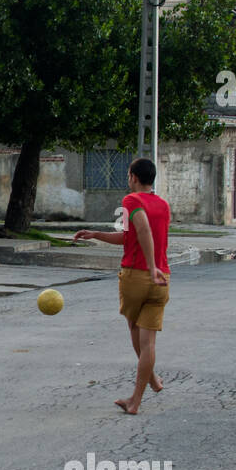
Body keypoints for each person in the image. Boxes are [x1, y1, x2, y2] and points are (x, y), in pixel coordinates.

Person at [74, 157, 170, 415]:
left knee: (134, 331)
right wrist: (96, 235)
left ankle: (147, 384)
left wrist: (150, 267)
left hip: (138, 276)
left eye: (129, 175)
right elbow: (128, 238)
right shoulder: (162, 204)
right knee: (148, 341)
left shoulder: (131, 201)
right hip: (163, 279)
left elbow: (143, 231)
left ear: (133, 177)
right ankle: (138, 397)